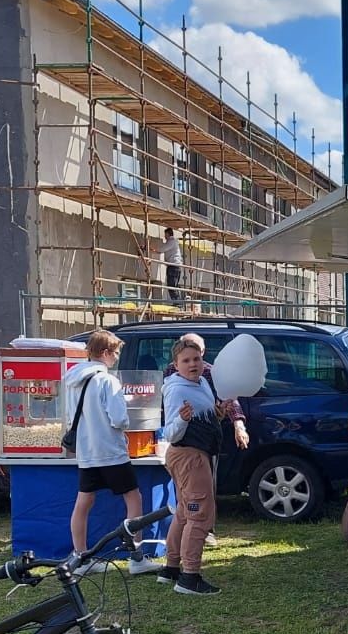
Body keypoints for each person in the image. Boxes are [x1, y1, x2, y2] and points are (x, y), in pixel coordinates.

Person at [63, 329, 159, 574]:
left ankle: (81, 556)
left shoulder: (73, 379)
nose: (117, 358)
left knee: (84, 502)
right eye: (115, 353)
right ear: (105, 352)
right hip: (111, 450)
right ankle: (136, 556)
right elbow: (119, 419)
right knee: (133, 498)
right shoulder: (108, 380)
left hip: (86, 451)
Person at [158, 334, 243, 594]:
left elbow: (205, 416)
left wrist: (218, 412)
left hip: (196, 455)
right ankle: (190, 577)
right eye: (186, 360)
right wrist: (182, 420)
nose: (193, 364)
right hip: (188, 456)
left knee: (185, 512)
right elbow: (171, 433)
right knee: (200, 514)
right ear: (176, 363)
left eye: (196, 359)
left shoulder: (201, 383)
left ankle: (171, 569)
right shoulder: (176, 389)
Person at [161, 227, 184, 303]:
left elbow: (163, 248)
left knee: (172, 285)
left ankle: (177, 302)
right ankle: (177, 302)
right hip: (175, 266)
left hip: (173, 266)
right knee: (173, 285)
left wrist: (153, 248)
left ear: (168, 234)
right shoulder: (173, 242)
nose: (164, 236)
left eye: (165, 235)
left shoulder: (171, 241)